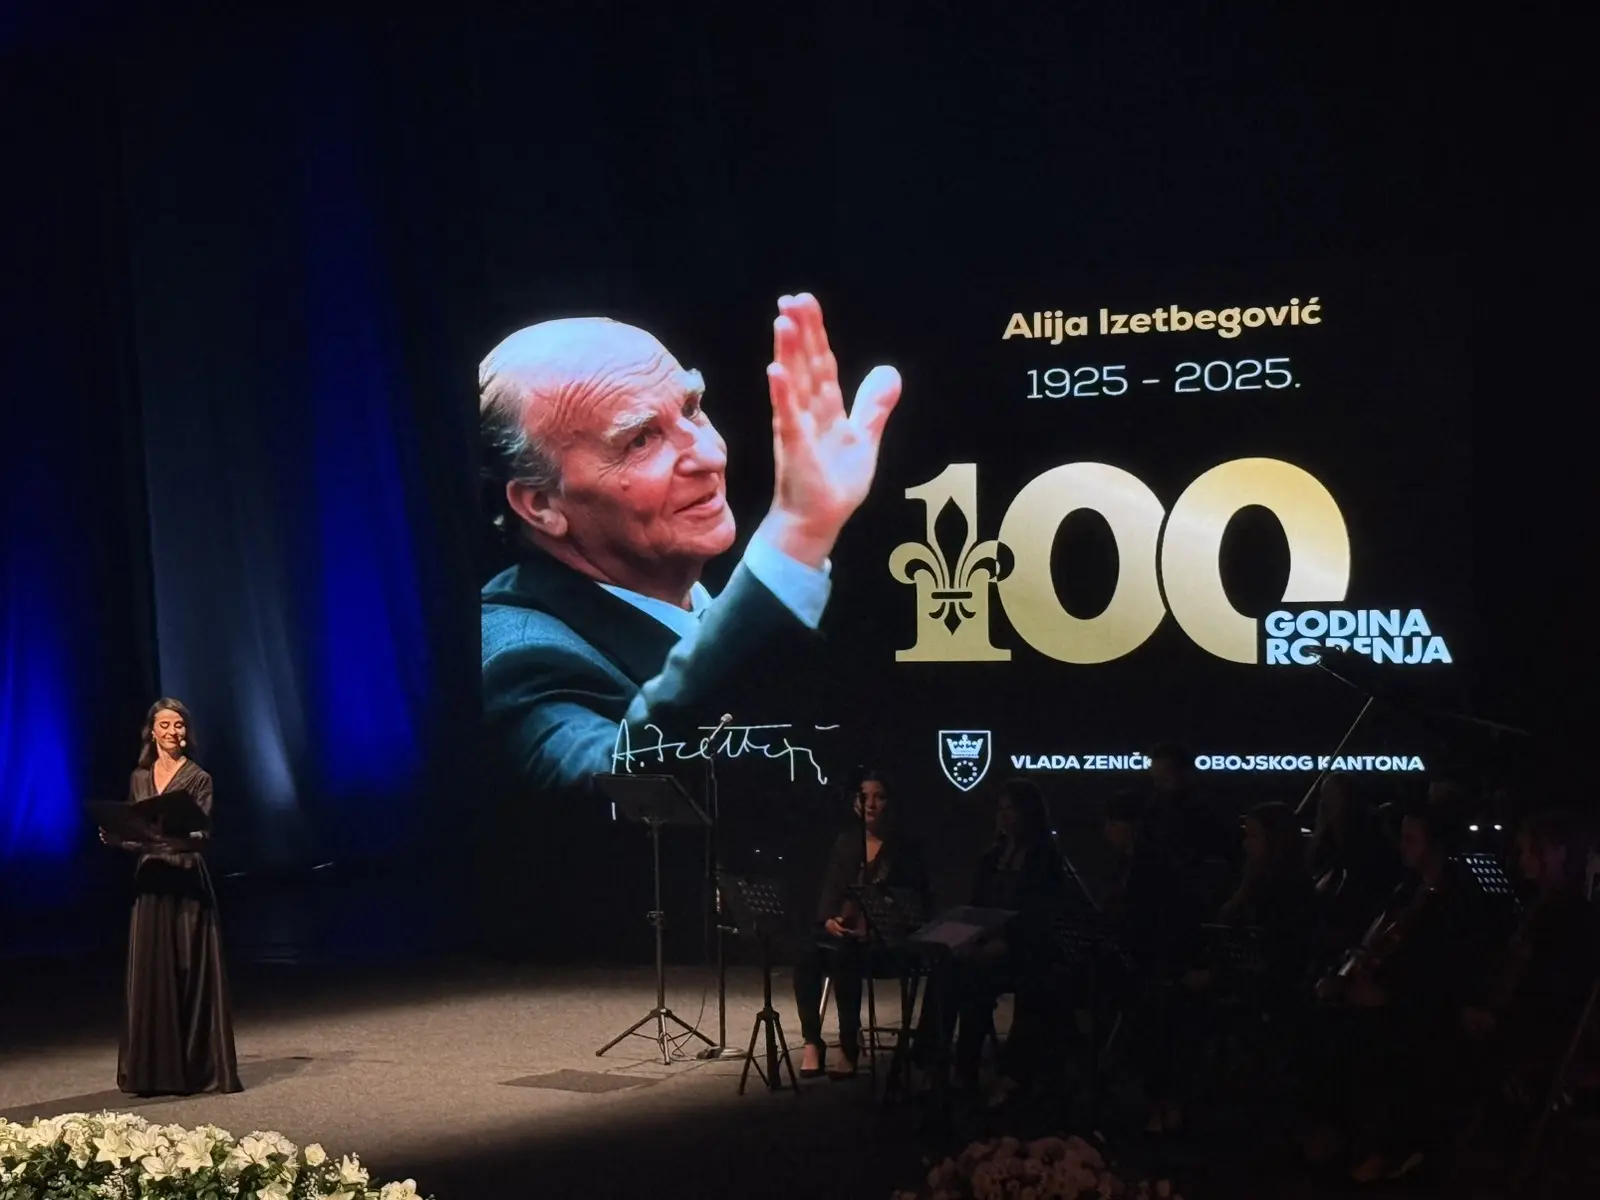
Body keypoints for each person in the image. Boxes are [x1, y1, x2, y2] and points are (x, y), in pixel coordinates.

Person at [480, 294, 903, 798]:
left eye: (692, 409)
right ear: (541, 504)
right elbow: (620, 789)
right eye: (640, 440)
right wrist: (797, 534)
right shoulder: (512, 655)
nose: (708, 455)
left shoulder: (737, 609)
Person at [1300, 798, 1489, 1183]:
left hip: (1424, 1008)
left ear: (1436, 846)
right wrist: (1347, 977)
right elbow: (1375, 944)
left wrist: (1389, 996)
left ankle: (1386, 1146)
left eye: (1411, 839)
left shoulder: (1457, 903)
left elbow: (1449, 975)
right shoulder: (1407, 890)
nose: (1402, 847)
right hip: (1393, 996)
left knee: (1371, 1040)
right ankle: (1338, 1133)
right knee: (1322, 1021)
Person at [99, 699, 241, 1096]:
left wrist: (174, 837)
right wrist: (118, 838)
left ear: (186, 732)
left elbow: (203, 835)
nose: (172, 732)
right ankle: (154, 1073)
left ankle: (194, 1070)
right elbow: (138, 834)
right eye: (164, 725)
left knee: (188, 970)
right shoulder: (139, 778)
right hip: (150, 882)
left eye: (178, 725)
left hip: (185, 879)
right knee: (151, 973)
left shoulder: (198, 778)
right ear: (152, 731)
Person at [792, 771, 930, 1079]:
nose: (871, 804)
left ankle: (848, 1044)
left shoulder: (905, 847)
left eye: (879, 797)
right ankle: (812, 1041)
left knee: (847, 955)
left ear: (891, 802)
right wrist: (830, 919)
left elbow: (916, 901)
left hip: (885, 941)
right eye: (864, 797)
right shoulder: (847, 841)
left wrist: (874, 923)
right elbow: (832, 888)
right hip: (847, 931)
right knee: (806, 953)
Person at [1461, 809, 1599, 1103]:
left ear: (1559, 853)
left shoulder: (1568, 917)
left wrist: (1497, 1019)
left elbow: (1554, 994)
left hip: (1539, 1040)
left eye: (1530, 849)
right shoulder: (1542, 908)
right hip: (1526, 1028)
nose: (1522, 858)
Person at [944, 778, 1068, 1097]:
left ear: (1029, 812)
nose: (1004, 816)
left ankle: (1009, 1072)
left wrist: (1006, 944)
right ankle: (940, 1063)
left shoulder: (1046, 858)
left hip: (1027, 950)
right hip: (988, 944)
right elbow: (977, 907)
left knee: (991, 980)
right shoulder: (992, 857)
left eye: (1012, 809)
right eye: (1001, 809)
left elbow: (1042, 917)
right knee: (948, 969)